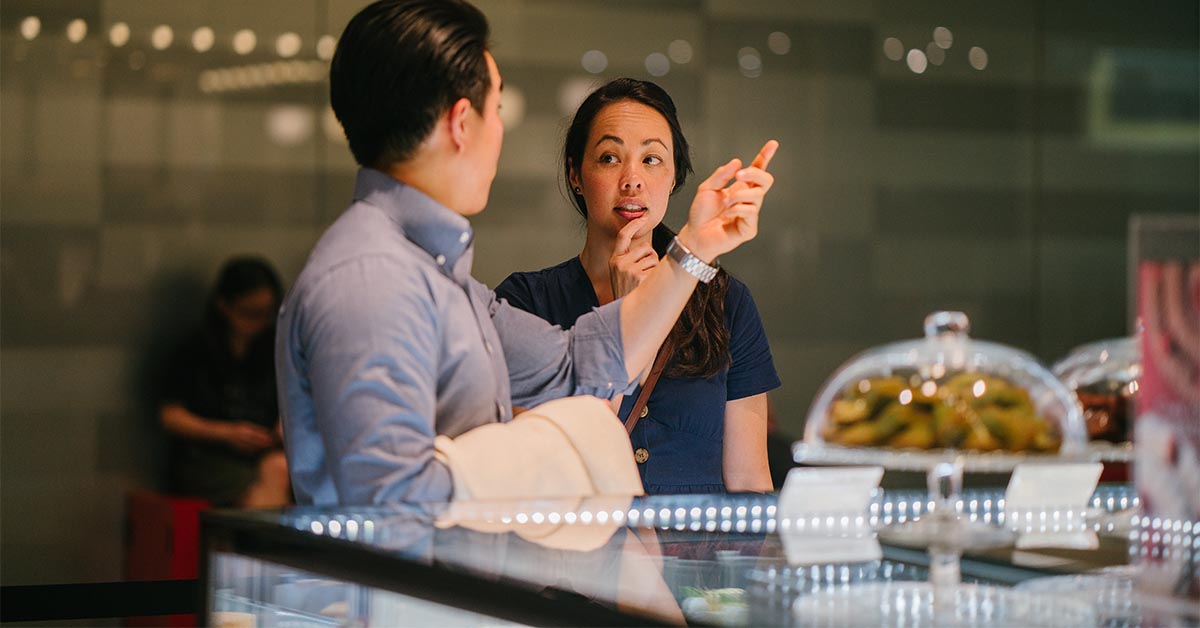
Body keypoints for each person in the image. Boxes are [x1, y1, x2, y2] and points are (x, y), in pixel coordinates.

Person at [277, 0, 778, 506]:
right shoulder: (373, 280)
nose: (499, 131)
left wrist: (695, 246)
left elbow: (577, 363)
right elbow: (393, 506)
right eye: (495, 110)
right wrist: (546, 469)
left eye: (652, 158)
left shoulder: (433, 272)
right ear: (459, 123)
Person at [496, 79, 779, 494]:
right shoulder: (524, 302)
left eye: (651, 159)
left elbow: (749, 483)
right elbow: (534, 472)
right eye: (610, 158)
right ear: (576, 174)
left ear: (674, 177)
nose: (632, 179)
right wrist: (628, 318)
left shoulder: (726, 302)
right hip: (575, 556)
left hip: (700, 558)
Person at [160, 256, 291, 508]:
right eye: (250, 313)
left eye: (266, 314)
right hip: (207, 455)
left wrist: (281, 426)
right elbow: (170, 415)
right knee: (267, 489)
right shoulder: (195, 348)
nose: (258, 323)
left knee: (280, 469)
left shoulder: (273, 345)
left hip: (262, 451)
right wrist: (226, 433)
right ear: (224, 306)